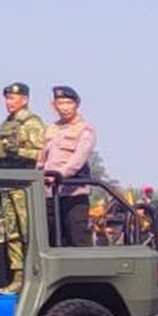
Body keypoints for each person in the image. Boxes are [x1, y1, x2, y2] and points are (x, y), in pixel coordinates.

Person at [0, 82, 46, 295]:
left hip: (25, 184)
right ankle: (17, 276)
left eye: (14, 99)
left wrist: (17, 150)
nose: (9, 103)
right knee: (12, 232)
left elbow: (40, 154)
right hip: (7, 182)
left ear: (24, 99)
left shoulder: (32, 122)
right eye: (7, 98)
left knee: (28, 231)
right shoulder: (6, 123)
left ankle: (34, 275)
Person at [37, 85, 98, 247]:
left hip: (74, 193)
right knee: (52, 239)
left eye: (68, 103)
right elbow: (42, 158)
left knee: (77, 237)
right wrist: (39, 175)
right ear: (53, 105)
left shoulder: (85, 129)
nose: (64, 108)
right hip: (50, 194)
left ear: (76, 104)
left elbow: (78, 159)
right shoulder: (51, 129)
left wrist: (58, 175)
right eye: (60, 103)